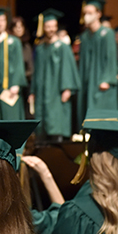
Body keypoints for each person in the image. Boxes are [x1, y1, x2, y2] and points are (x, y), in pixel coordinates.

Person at [29, 9, 80, 140]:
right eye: (47, 26)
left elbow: (68, 68)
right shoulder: (40, 48)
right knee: (42, 127)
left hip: (57, 92)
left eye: (53, 26)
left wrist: (67, 88)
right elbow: (36, 72)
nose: (50, 29)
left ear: (56, 27)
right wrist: (33, 91)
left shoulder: (63, 47)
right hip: (41, 93)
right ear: (43, 27)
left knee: (56, 125)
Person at [77, 0, 118, 122]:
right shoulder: (84, 37)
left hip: (101, 81)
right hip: (88, 81)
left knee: (102, 115)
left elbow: (111, 58)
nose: (86, 16)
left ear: (98, 14)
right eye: (85, 14)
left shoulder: (107, 34)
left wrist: (106, 79)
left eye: (90, 13)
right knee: (87, 114)